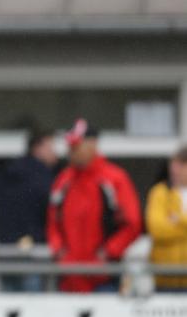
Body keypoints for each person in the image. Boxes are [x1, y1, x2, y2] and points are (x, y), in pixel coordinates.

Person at [47, 119, 142, 293]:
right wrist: (59, 251)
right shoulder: (64, 180)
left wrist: (108, 252)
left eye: (76, 146)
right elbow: (53, 221)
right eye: (70, 147)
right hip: (69, 278)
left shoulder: (114, 179)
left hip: (103, 278)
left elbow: (132, 223)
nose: (70, 152)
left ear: (92, 144)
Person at [0, 128, 59, 291]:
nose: (55, 154)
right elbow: (51, 212)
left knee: (10, 305)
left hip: (5, 250)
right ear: (37, 148)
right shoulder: (42, 177)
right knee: (33, 310)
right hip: (34, 252)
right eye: (51, 148)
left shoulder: (5, 173)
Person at [145, 146, 187, 292]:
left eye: (181, 165)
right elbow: (157, 229)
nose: (174, 170)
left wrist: (179, 220)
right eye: (173, 164)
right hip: (165, 279)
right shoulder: (160, 193)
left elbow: (168, 228)